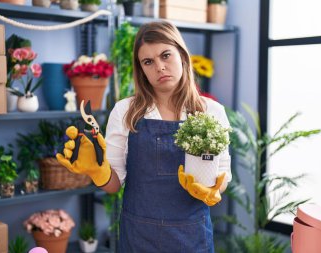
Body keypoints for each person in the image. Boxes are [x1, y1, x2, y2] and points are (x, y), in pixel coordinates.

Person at [56, 20, 231, 253]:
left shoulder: (212, 112)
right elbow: (114, 183)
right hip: (139, 236)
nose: (159, 67)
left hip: (192, 236)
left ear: (182, 55)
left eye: (166, 55)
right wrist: (98, 172)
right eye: (148, 62)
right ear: (141, 69)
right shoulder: (126, 111)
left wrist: (212, 190)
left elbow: (223, 175)